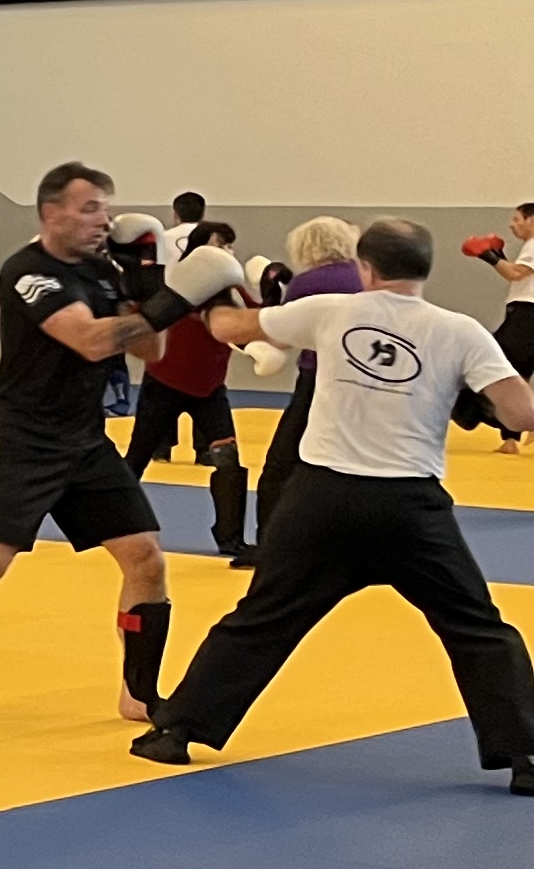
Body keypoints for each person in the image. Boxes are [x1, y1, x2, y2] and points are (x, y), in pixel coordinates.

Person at [135, 218, 534, 785]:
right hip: (410, 508)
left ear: (365, 268)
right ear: (426, 268)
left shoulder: (329, 310)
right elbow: (521, 414)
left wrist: (216, 285)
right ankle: (526, 757)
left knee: (264, 617)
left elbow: (228, 327)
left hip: (322, 501)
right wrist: (464, 393)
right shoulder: (460, 331)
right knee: (478, 628)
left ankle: (175, 731)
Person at [0, 163, 177, 727]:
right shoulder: (28, 273)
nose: (103, 219)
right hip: (28, 439)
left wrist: (147, 285)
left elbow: (154, 352)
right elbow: (90, 341)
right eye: (90, 208)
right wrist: (180, 301)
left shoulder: (103, 271)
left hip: (86, 439)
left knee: (145, 557)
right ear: (52, 212)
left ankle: (140, 693)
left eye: (105, 208)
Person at [128, 218, 254, 562]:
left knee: (228, 460)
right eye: (219, 244)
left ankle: (231, 538)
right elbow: (143, 313)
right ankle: (109, 522)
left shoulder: (230, 288)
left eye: (228, 245)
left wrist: (274, 294)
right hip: (164, 382)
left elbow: (254, 320)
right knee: (137, 457)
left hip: (209, 387)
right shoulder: (175, 279)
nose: (226, 251)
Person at [253, 217, 365, 545]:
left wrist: (270, 303)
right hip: (362, 378)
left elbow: (280, 337)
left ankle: (270, 542)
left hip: (317, 377)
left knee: (281, 463)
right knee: (348, 461)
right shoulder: (364, 276)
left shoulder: (308, 282)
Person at [455, 208, 534, 453]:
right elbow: (516, 275)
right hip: (524, 313)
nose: (512, 225)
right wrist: (497, 255)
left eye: (517, 219)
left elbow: (515, 273)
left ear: (532, 220)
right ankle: (510, 439)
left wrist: (487, 255)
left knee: (497, 366)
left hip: (527, 314)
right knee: (516, 372)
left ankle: (512, 426)